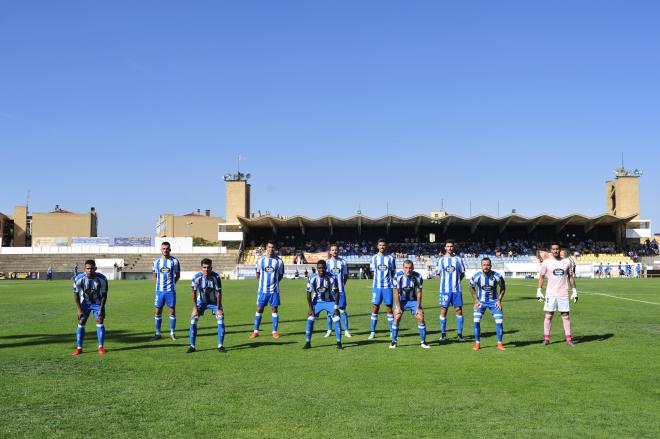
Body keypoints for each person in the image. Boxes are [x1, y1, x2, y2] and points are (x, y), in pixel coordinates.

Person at [536, 242, 578, 346]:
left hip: (563, 293)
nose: (556, 251)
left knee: (565, 316)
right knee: (549, 315)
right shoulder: (546, 263)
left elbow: (570, 277)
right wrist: (539, 290)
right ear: (551, 251)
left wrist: (574, 290)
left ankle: (568, 339)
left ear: (560, 250)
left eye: (557, 249)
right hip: (550, 293)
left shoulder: (567, 262)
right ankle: (546, 339)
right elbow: (541, 277)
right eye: (553, 249)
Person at [187, 258, 225, 353]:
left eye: (208, 267)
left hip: (214, 302)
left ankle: (220, 346)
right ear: (201, 268)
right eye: (204, 267)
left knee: (220, 319)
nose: (206, 269)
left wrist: (219, 308)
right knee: (193, 320)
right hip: (201, 302)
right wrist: (195, 309)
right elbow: (193, 294)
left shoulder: (216, 277)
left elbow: (219, 293)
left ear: (211, 268)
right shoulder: (196, 278)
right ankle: (192, 346)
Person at [390, 260, 430, 349]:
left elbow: (419, 292)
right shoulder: (397, 276)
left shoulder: (418, 276)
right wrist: (398, 307)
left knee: (420, 317)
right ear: (403, 268)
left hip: (413, 300)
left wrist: (418, 307)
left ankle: (423, 342)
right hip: (401, 300)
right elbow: (395, 292)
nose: (408, 270)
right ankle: (393, 341)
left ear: (413, 268)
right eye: (406, 268)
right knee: (396, 317)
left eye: (410, 268)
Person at [72, 260, 108, 356]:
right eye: (88, 268)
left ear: (95, 269)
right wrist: (79, 309)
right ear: (84, 269)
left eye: (92, 268)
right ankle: (79, 348)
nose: (90, 270)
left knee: (100, 321)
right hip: (85, 303)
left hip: (98, 303)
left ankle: (101, 347)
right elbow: (76, 295)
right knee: (81, 322)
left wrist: (102, 308)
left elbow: (104, 295)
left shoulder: (102, 278)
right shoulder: (79, 279)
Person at [303, 260, 343, 350]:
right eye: (319, 268)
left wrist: (336, 307)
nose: (321, 269)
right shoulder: (312, 278)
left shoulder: (332, 277)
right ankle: (308, 342)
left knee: (336, 319)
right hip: (317, 302)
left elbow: (337, 292)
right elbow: (308, 293)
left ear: (326, 268)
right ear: (317, 268)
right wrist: (310, 308)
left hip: (330, 301)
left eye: (323, 268)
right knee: (310, 319)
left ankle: (339, 342)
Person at [469, 257, 506, 351]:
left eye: (488, 265)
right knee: (476, 320)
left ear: (491, 265)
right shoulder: (476, 276)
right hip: (481, 302)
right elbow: (471, 288)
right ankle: (477, 343)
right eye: (484, 265)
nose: (486, 267)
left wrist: (499, 300)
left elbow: (503, 287)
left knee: (499, 321)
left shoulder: (497, 276)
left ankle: (499, 343)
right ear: (481, 266)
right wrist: (476, 301)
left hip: (494, 302)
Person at [250, 241, 285, 339]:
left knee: (274, 310)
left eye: (273, 247)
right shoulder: (260, 260)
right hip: (262, 290)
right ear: (266, 248)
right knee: (259, 309)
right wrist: (262, 283)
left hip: (274, 291)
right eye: (269, 247)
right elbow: (258, 274)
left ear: (275, 249)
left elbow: (281, 275)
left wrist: (275, 282)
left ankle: (274, 331)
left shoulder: (279, 261)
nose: (271, 249)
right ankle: (256, 331)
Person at [436, 240, 466, 342]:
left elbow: (462, 273)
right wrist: (443, 284)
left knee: (459, 310)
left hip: (456, 290)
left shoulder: (458, 259)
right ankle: (443, 334)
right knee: (443, 311)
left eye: (451, 246)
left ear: (454, 248)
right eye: (448, 246)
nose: (450, 248)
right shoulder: (441, 260)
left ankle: (460, 334)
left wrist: (456, 282)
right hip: (445, 291)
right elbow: (438, 274)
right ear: (445, 248)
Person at [151, 242, 180, 341]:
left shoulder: (174, 261)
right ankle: (158, 333)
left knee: (172, 311)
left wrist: (172, 284)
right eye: (163, 248)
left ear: (170, 249)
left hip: (170, 291)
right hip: (159, 291)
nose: (165, 250)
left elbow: (178, 275)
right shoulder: (156, 262)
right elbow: (154, 275)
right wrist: (158, 286)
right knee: (158, 311)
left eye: (167, 248)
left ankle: (172, 333)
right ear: (161, 249)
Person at [368, 239, 396, 340]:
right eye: (380, 245)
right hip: (377, 287)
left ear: (386, 246)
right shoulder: (373, 258)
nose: (382, 247)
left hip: (388, 287)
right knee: (375, 308)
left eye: (384, 245)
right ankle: (372, 332)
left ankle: (392, 332)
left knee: (389, 309)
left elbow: (393, 272)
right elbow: (372, 272)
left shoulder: (390, 258)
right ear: (377, 246)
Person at [325, 244, 352, 338]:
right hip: (330, 291)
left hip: (340, 291)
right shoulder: (327, 262)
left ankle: (346, 331)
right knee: (329, 311)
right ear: (330, 251)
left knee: (342, 310)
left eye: (336, 250)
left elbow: (346, 276)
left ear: (338, 251)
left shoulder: (343, 262)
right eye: (332, 250)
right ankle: (329, 330)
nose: (334, 251)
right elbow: (325, 277)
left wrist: (342, 285)